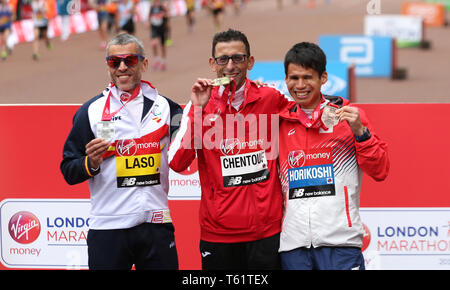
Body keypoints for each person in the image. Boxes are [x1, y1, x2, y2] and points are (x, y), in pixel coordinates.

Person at [168, 28, 291, 270]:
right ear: (213, 64)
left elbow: (305, 114)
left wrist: (338, 107)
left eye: (238, 58)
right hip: (218, 235)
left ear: (250, 61)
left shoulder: (270, 98)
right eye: (223, 59)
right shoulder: (199, 105)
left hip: (266, 233)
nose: (231, 66)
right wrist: (199, 111)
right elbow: (176, 162)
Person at [60, 33, 182, 270]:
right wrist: (91, 163)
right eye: (115, 62)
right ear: (108, 67)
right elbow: (68, 169)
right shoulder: (90, 111)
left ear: (144, 64)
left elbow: (188, 145)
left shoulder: (168, 108)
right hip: (108, 228)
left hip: (156, 225)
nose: (122, 67)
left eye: (130, 60)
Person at [277, 42, 390, 270]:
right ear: (286, 79)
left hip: (341, 244)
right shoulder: (279, 121)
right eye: (293, 78)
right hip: (293, 246)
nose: (300, 85)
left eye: (307, 77)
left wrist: (360, 132)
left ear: (323, 78)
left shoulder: (349, 118)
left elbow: (380, 170)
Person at [149, 0, 168, 71]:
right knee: (154, 44)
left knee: (162, 46)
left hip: (162, 28)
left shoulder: (162, 7)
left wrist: (165, 13)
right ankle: (157, 59)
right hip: (154, 28)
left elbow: (167, 16)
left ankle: (163, 61)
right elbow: (149, 15)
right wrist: (148, 22)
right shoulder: (152, 7)